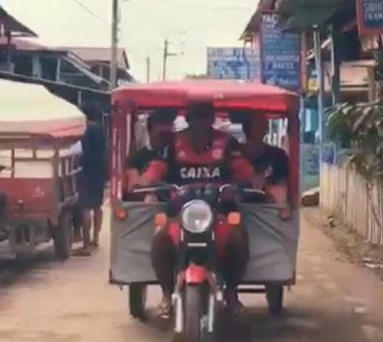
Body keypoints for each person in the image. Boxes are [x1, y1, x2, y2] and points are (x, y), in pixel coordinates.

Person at [149, 103, 248, 318]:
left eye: (205, 120)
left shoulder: (228, 143)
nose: (200, 126)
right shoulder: (173, 144)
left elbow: (243, 172)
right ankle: (166, 295)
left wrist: (241, 184)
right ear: (189, 121)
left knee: (239, 237)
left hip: (220, 209)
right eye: (196, 120)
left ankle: (232, 293)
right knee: (160, 238)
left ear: (212, 122)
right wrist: (147, 183)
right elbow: (156, 171)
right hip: (179, 211)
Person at [123, 108, 176, 198]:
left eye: (169, 134)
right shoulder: (137, 157)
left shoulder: (178, 154)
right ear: (149, 130)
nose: (166, 138)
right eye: (162, 134)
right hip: (151, 206)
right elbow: (133, 187)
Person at [239, 112, 290, 206]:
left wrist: (267, 187)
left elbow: (282, 185)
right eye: (256, 126)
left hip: (267, 206)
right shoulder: (233, 153)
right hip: (237, 204)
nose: (262, 130)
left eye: (262, 126)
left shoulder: (278, 155)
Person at [77, 104, 108, 254]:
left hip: (88, 172)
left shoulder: (86, 130)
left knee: (85, 208)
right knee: (97, 206)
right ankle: (95, 238)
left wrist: (80, 163)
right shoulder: (101, 129)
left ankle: (85, 245)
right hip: (100, 171)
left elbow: (85, 153)